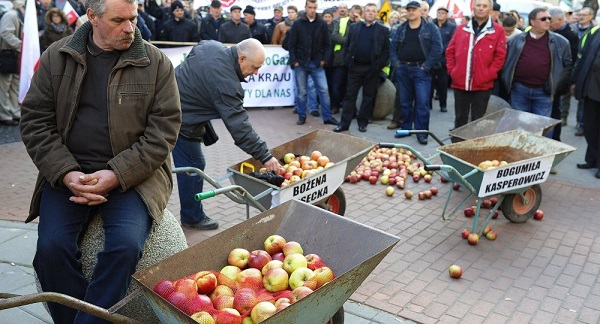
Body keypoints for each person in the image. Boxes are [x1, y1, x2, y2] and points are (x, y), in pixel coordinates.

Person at [19, 0, 181, 321]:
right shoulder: (57, 56)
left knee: (125, 247)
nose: (130, 28)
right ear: (92, 17)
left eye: (133, 19)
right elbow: (35, 121)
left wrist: (116, 174)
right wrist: (65, 173)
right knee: (51, 250)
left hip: (134, 176)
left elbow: (164, 131)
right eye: (119, 20)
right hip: (69, 173)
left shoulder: (155, 61)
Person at [174, 39, 280, 229]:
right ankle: (191, 216)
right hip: (178, 119)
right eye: (255, 67)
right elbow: (239, 126)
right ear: (241, 58)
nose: (256, 73)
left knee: (193, 163)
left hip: (176, 104)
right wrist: (265, 156)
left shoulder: (211, 46)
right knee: (193, 165)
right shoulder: (227, 83)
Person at [501, 8, 572, 128]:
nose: (548, 21)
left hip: (544, 92)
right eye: (543, 19)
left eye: (549, 18)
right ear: (532, 22)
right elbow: (506, 62)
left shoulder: (561, 42)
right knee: (518, 127)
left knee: (542, 128)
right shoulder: (516, 40)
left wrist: (554, 86)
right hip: (519, 90)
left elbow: (567, 66)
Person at [446, 0, 506, 130]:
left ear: (490, 9)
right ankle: (458, 146)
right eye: (478, 5)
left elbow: (500, 57)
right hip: (460, 82)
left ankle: (474, 148)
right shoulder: (461, 29)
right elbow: (450, 51)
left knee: (477, 120)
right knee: (460, 118)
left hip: (483, 84)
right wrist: (453, 71)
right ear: (473, 8)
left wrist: (489, 74)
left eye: (484, 6)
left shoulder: (498, 31)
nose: (481, 8)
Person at [389, 1, 443, 145]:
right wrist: (397, 64)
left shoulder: (430, 28)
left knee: (422, 102)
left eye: (414, 9)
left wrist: (426, 67)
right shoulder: (401, 28)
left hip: (421, 71)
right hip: (403, 69)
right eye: (409, 10)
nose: (411, 12)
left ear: (420, 11)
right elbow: (392, 47)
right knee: (405, 102)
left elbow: (437, 48)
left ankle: (421, 132)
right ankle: (406, 128)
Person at [333, 3, 389, 133]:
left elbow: (386, 51)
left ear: (376, 13)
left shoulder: (383, 30)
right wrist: (348, 60)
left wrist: (378, 65)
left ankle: (362, 123)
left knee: (368, 97)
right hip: (355, 68)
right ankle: (344, 124)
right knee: (349, 96)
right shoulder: (354, 27)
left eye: (373, 11)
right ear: (364, 13)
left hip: (372, 69)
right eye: (368, 10)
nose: (370, 13)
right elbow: (347, 46)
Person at [287, 0, 338, 126]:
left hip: (316, 63)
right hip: (301, 63)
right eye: (310, 7)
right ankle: (302, 115)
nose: (312, 10)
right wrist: (295, 61)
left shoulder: (322, 24)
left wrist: (323, 60)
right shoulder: (298, 24)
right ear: (305, 7)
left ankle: (327, 117)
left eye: (314, 7)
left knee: (324, 90)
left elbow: (328, 44)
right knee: (301, 92)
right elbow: (291, 44)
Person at [572, 25, 600, 179]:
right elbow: (583, 59)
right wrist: (576, 82)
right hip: (591, 89)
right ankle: (592, 159)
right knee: (590, 127)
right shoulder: (595, 32)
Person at [549, 7, 579, 142]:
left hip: (559, 81)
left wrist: (561, 81)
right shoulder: (550, 32)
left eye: (551, 20)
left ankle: (555, 138)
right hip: (548, 79)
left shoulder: (570, 35)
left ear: (559, 20)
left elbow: (569, 62)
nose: (548, 23)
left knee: (555, 111)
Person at [0, 0, 23, 126]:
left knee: (15, 84)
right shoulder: (11, 15)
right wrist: (21, 46)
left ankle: (15, 112)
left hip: (14, 54)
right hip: (7, 54)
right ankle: (5, 114)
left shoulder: (18, 15)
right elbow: (5, 33)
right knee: (4, 86)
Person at [430, 7, 456, 113]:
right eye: (439, 12)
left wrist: (440, 50)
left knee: (442, 84)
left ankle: (443, 104)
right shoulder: (431, 25)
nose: (440, 15)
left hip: (443, 59)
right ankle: (428, 104)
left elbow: (451, 42)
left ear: (446, 15)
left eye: (442, 13)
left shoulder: (451, 27)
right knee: (429, 83)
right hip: (431, 58)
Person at [574, 7, 595, 136]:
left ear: (591, 17)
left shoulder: (593, 31)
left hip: (584, 67)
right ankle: (565, 118)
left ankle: (581, 124)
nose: (581, 17)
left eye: (584, 15)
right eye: (580, 14)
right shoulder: (573, 29)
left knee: (583, 99)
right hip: (574, 65)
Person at [329, 3, 352, 114]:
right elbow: (334, 36)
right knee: (336, 86)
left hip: (352, 60)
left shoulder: (355, 22)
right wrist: (348, 41)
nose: (342, 10)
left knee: (349, 87)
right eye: (341, 8)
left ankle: (347, 108)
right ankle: (335, 106)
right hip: (339, 59)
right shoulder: (336, 22)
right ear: (338, 10)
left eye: (344, 8)